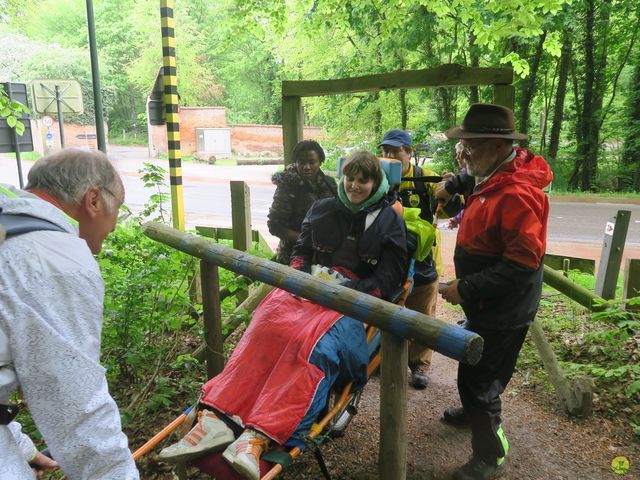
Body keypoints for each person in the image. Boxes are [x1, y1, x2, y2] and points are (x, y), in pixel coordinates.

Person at [158, 151, 408, 480]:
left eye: (363, 179)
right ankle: (217, 417)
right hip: (305, 288)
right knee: (263, 327)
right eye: (350, 177)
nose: (354, 185)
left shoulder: (390, 222)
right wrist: (302, 276)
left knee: (311, 348)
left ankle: (258, 436)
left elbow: (390, 277)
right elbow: (301, 251)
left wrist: (350, 288)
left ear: (376, 183)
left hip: (351, 300)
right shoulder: (323, 209)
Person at [0, 149, 139, 479]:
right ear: (93, 199)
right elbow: (78, 410)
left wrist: (17, 445)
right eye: (116, 208)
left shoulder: (8, 231)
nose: (115, 226)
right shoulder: (55, 259)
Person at [436, 104, 552, 480]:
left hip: (504, 306)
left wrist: (466, 288)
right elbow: (476, 181)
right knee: (476, 365)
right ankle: (475, 413)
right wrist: (455, 182)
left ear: (496, 145)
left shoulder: (517, 194)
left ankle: (490, 455)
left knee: (480, 379)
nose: (463, 155)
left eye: (469, 148)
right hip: (487, 301)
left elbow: (521, 265)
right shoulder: (495, 172)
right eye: (462, 148)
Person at [379, 129, 447, 389]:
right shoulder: (376, 174)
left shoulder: (424, 179)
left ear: (409, 153)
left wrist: (449, 189)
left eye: (396, 150)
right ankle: (382, 359)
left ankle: (419, 364)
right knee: (385, 306)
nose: (389, 155)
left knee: (422, 310)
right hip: (386, 255)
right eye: (385, 150)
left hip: (421, 256)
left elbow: (452, 207)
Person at [267, 140, 337, 265]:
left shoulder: (329, 185)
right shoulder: (287, 186)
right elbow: (275, 226)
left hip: (325, 255)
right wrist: (309, 241)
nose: (307, 167)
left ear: (320, 162)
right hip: (292, 255)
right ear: (296, 162)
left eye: (312, 162)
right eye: (301, 162)